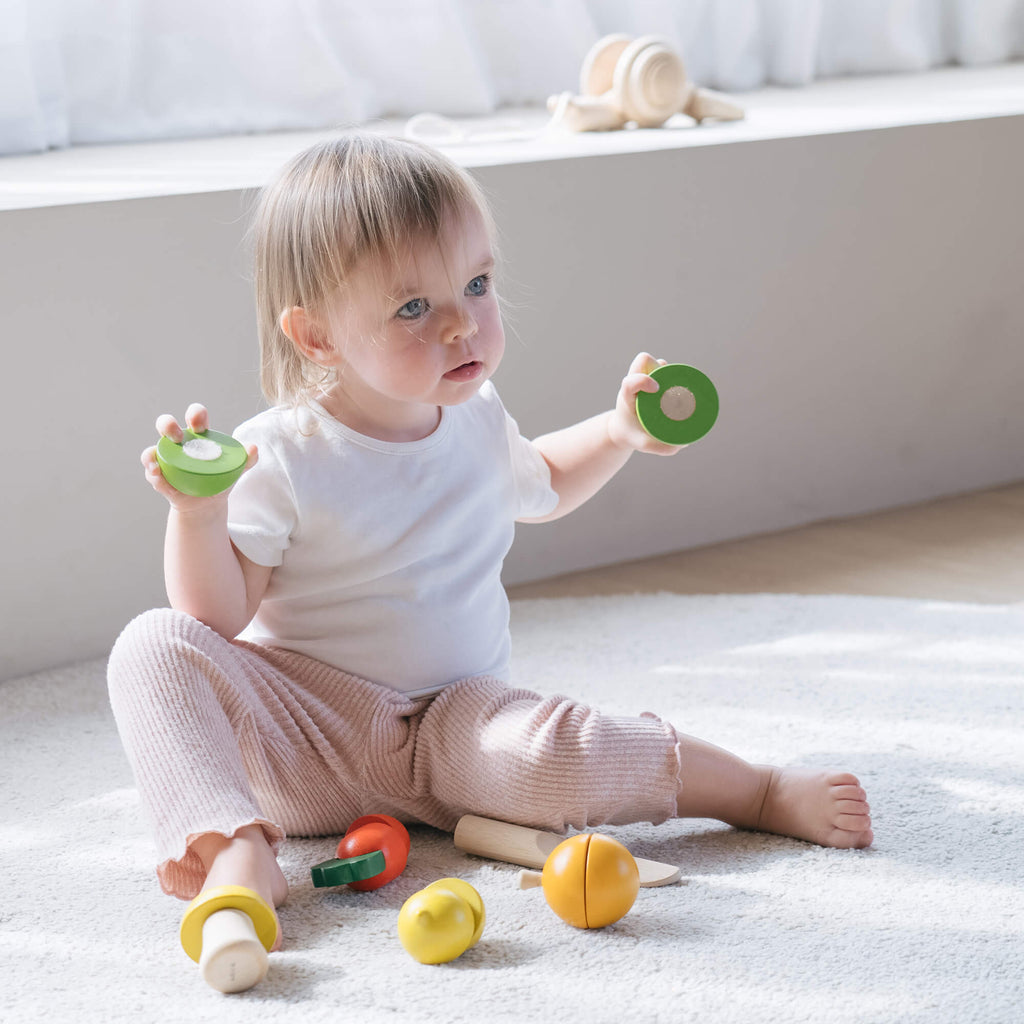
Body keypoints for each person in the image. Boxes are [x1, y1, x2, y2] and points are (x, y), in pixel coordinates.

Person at [108, 132, 872, 991]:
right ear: (316, 336)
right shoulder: (281, 454)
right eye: (412, 309)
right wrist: (199, 515)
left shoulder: (474, 418)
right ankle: (236, 851)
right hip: (309, 735)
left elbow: (541, 480)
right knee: (153, 643)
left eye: (476, 285)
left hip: (459, 728)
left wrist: (618, 433)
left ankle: (756, 791)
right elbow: (215, 619)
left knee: (564, 751)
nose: (462, 322)